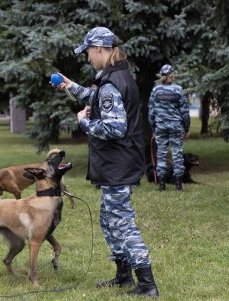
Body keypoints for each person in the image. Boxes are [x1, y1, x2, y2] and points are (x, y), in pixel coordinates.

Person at [54, 27, 159, 297]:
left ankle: (146, 284)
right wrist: (69, 86)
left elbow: (114, 128)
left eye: (89, 52)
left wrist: (84, 123)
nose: (88, 57)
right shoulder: (116, 76)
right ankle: (123, 275)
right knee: (108, 220)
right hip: (119, 163)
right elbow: (96, 98)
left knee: (122, 222)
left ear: (100, 49)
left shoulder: (111, 82)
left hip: (118, 165)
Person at [148, 64, 190, 191]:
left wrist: (153, 129)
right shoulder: (178, 90)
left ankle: (162, 184)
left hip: (160, 127)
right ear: (172, 75)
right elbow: (184, 111)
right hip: (176, 126)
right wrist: (186, 127)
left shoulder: (156, 90)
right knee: (177, 153)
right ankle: (178, 184)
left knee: (161, 154)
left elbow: (151, 112)